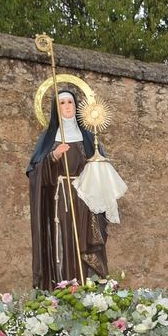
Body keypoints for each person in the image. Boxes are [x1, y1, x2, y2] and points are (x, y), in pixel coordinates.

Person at [26, 88, 114, 289]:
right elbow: (35, 173)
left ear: (77, 106)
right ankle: (63, 287)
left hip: (84, 201)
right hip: (60, 202)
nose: (67, 106)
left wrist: (98, 164)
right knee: (63, 241)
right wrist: (53, 157)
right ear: (56, 109)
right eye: (62, 103)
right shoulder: (49, 138)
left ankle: (88, 286)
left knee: (84, 244)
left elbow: (102, 171)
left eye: (70, 102)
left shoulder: (88, 137)